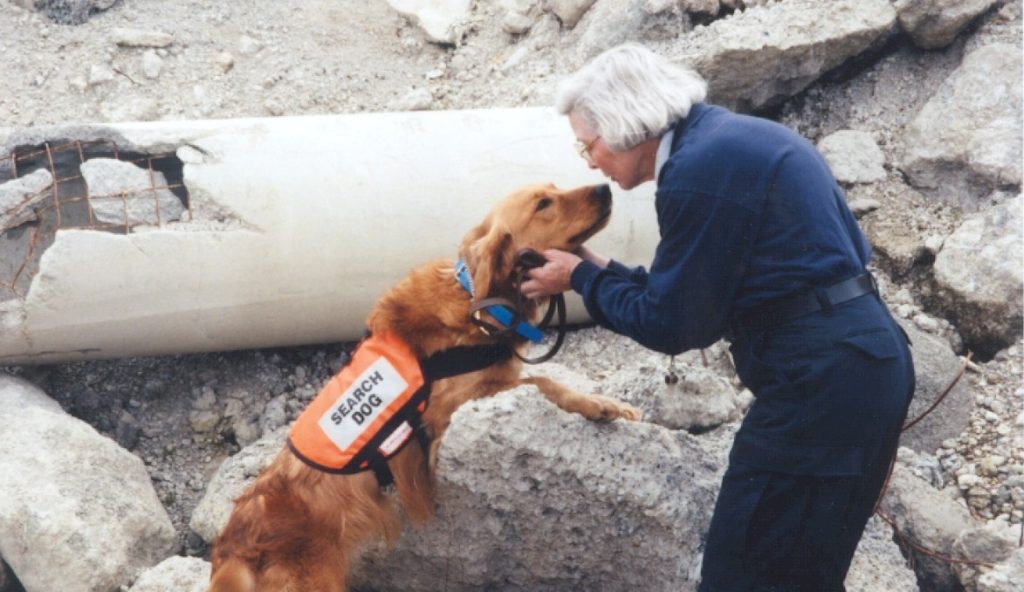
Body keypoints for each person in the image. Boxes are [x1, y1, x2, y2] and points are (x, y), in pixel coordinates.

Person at [521, 43, 915, 591]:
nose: (589, 163)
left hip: (819, 383)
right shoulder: (730, 142)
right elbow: (686, 294)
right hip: (862, 366)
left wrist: (580, 280)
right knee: (803, 572)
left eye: (588, 145)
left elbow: (676, 326)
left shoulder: (697, 173)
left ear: (622, 126)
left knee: (743, 572)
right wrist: (598, 268)